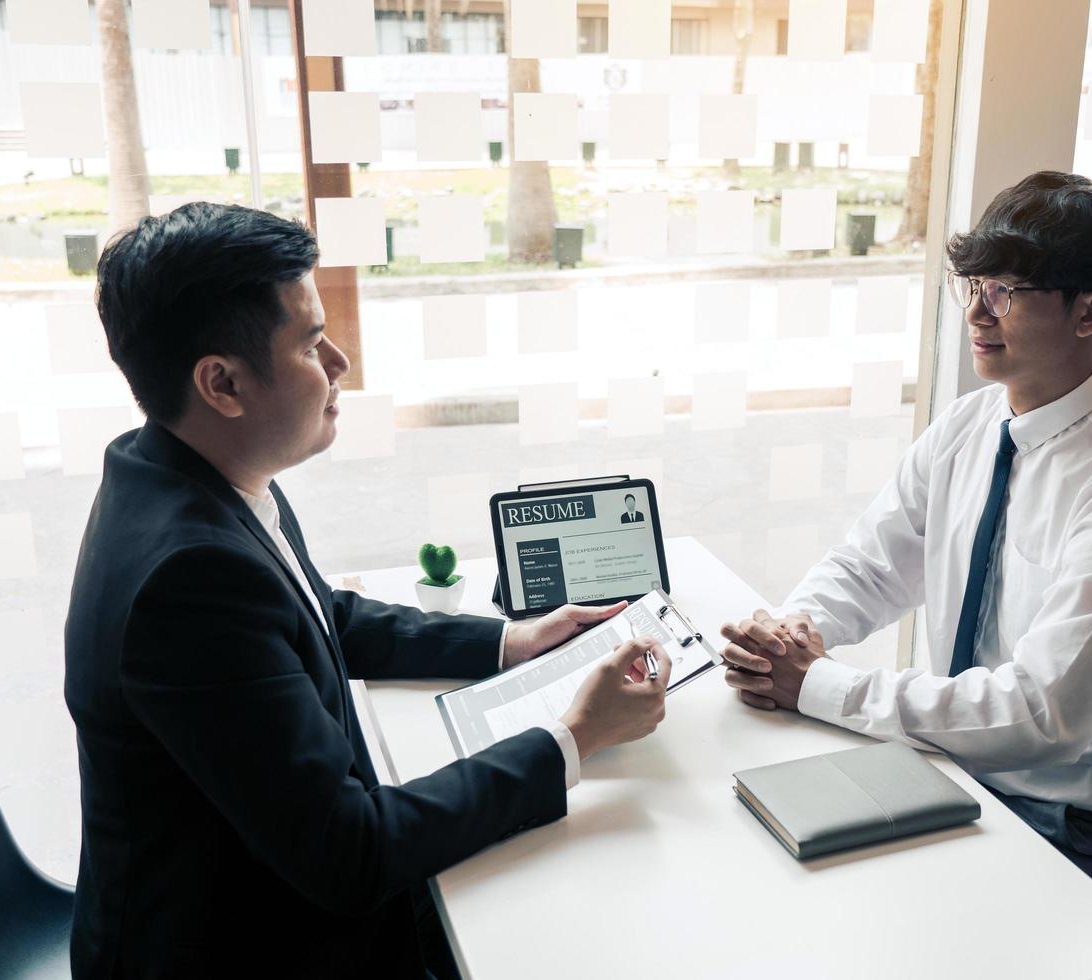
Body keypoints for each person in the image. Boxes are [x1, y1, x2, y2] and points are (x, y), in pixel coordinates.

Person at [64, 203, 671, 979]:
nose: (341, 363)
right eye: (312, 343)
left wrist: (509, 641)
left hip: (262, 887)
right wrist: (573, 736)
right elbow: (349, 853)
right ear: (221, 384)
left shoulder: (178, 469)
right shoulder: (190, 577)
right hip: (234, 946)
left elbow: (316, 614)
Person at [719, 172, 1092, 906]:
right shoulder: (969, 425)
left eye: (1005, 291)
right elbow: (872, 564)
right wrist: (787, 636)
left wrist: (815, 684)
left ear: (1090, 312)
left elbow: (1041, 715)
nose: (976, 312)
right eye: (971, 284)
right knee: (757, 871)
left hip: (1072, 821)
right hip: (949, 769)